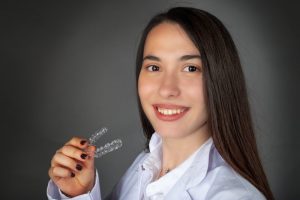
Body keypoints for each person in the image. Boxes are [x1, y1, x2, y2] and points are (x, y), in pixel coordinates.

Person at [47, 7, 274, 200]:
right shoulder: (146, 165)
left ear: (221, 80)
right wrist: (80, 194)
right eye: (154, 68)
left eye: (190, 68)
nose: (167, 89)